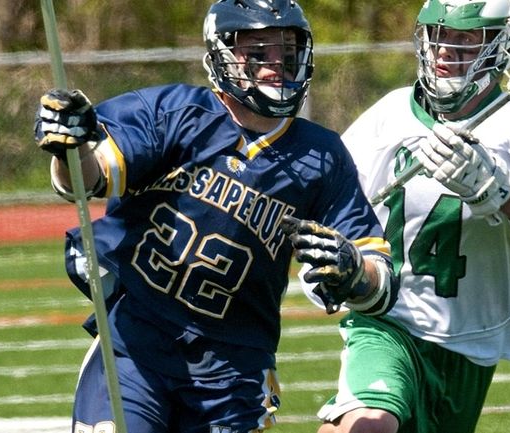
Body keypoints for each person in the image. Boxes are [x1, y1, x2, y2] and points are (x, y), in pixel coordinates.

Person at [33, 1, 395, 432]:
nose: (275, 65)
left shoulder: (322, 155)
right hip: (137, 343)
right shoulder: (175, 113)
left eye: (287, 51)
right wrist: (67, 147)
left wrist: (354, 270)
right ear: (222, 53)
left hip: (234, 367)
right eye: (258, 53)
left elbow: (381, 280)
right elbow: (85, 180)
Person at [310, 0, 510, 432]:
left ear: (500, 46)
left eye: (464, 39)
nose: (444, 51)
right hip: (389, 316)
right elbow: (335, 200)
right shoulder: (390, 114)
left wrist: (499, 191)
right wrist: (338, 264)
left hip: (473, 336)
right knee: (369, 424)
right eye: (438, 36)